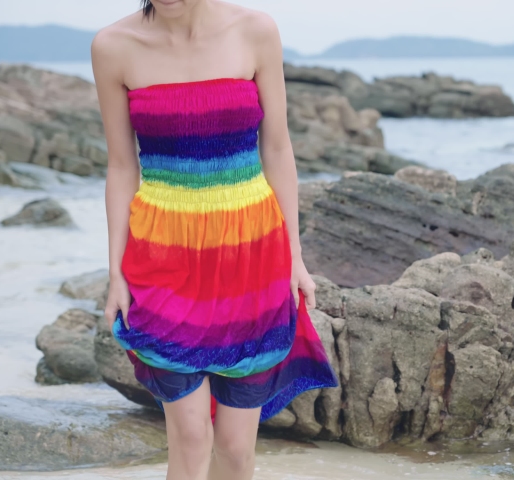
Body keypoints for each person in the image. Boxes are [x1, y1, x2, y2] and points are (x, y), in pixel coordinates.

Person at [90, 1, 339, 479]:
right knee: (189, 437)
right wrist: (115, 273)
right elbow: (122, 166)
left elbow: (278, 147)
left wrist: (295, 258)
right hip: (161, 260)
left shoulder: (255, 31)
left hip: (251, 258)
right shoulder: (113, 46)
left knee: (234, 448)